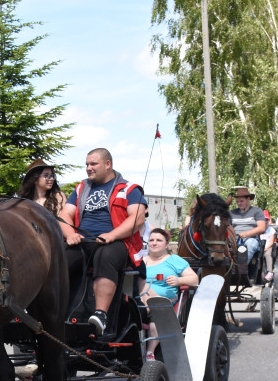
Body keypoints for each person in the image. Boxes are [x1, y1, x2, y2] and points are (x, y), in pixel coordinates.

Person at [60, 148, 148, 334]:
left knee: (105, 256)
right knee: (61, 258)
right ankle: (52, 309)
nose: (88, 168)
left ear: (108, 164)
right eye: (87, 165)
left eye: (93, 164)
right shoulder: (80, 188)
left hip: (117, 243)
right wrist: (70, 234)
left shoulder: (129, 189)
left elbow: (137, 218)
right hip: (84, 241)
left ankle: (101, 315)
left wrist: (112, 235)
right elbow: (65, 214)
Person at [136, 228, 198, 360]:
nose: (154, 243)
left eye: (159, 240)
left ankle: (150, 352)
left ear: (166, 244)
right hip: (140, 299)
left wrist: (179, 280)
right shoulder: (141, 261)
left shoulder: (174, 260)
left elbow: (194, 279)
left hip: (163, 302)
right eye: (151, 240)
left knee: (144, 285)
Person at [229, 186, 265, 282]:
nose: (239, 204)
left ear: (248, 199)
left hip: (252, 239)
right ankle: (226, 269)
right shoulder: (232, 213)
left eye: (241, 201)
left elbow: (262, 228)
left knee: (250, 244)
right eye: (237, 202)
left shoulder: (257, 211)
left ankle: (240, 270)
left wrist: (246, 234)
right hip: (234, 239)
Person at [260, 209, 278, 281]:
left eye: (267, 220)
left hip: (268, 246)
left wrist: (266, 248)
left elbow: (271, 241)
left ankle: (270, 271)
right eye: (264, 220)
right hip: (260, 246)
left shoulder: (271, 230)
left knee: (267, 254)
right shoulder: (259, 229)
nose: (265, 221)